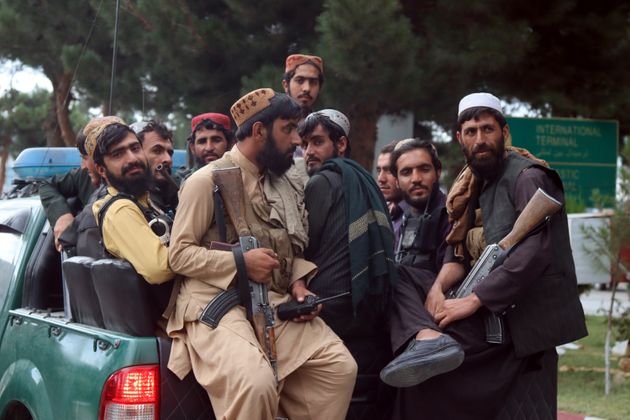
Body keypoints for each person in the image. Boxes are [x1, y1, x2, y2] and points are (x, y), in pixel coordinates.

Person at [380, 93, 588, 420]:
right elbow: (457, 251)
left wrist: (474, 300)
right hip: (487, 310)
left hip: (516, 320)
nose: (480, 140)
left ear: (504, 133)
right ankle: (427, 338)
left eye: (487, 129)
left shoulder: (527, 176)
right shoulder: (474, 185)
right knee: (399, 275)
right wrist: (436, 291)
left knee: (420, 381)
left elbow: (534, 253)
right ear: (459, 138)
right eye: (471, 131)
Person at [166, 89, 357, 420]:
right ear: (259, 132)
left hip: (270, 300)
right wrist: (239, 261)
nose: (297, 140)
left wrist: (298, 282)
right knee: (254, 384)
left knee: (338, 368)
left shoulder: (281, 182)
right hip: (214, 303)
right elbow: (179, 255)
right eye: (288, 129)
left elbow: (284, 247)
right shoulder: (205, 181)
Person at [300, 109, 397, 420]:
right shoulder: (366, 181)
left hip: (328, 311)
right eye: (304, 144)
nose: (308, 152)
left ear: (340, 144)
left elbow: (305, 247)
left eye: (317, 142)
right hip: (368, 307)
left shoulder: (321, 182)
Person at [88, 117, 174, 286]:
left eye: (135, 148)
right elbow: (159, 269)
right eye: (117, 154)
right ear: (101, 169)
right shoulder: (120, 209)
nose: (132, 158)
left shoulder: (143, 200)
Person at [390, 138, 449, 271]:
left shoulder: (453, 215)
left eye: (424, 169)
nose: (416, 178)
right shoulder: (401, 219)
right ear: (397, 181)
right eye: (406, 172)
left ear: (438, 172)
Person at [40, 128, 100, 251]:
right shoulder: (84, 176)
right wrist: (61, 215)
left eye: (85, 158)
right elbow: (47, 185)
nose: (82, 166)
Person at [131, 120, 178, 216]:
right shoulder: (125, 202)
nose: (168, 159)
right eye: (157, 151)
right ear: (135, 154)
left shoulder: (174, 192)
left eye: (170, 153)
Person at [176, 112, 232, 181]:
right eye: (202, 142)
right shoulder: (182, 182)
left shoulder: (244, 178)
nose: (209, 148)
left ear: (229, 145)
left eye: (216, 140)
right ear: (192, 148)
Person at [282, 54, 324, 118]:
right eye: (300, 81)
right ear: (286, 85)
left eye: (313, 82)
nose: (307, 88)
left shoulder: (324, 126)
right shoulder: (269, 123)